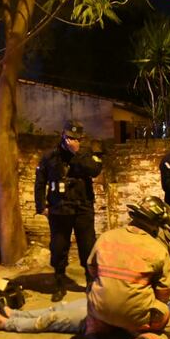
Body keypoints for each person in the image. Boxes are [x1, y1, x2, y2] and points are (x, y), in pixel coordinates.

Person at [85, 199, 170, 339]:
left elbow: (92, 270)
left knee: (92, 292)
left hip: (100, 311)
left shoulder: (105, 237)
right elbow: (164, 293)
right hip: (135, 317)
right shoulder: (158, 249)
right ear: (155, 225)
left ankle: (97, 337)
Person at [34, 119, 103, 302]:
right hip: (59, 209)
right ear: (63, 136)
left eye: (76, 138)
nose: (73, 141)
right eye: (70, 137)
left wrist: (77, 153)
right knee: (58, 247)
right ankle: (59, 282)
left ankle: (89, 282)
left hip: (83, 208)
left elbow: (95, 170)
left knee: (87, 246)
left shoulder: (86, 153)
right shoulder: (50, 156)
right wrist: (41, 206)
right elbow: (40, 183)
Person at [0, 292, 170, 337]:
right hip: (105, 303)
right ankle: (15, 313)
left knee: (51, 320)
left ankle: (5, 323)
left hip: (106, 318)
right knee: (58, 308)